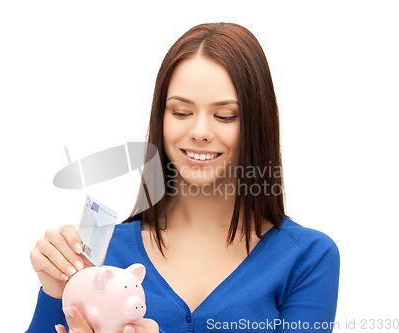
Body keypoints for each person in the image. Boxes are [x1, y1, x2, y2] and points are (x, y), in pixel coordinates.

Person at [25, 22, 340, 333]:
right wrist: (55, 291)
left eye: (225, 116)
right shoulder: (99, 254)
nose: (200, 132)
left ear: (257, 123)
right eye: (180, 112)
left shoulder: (308, 258)